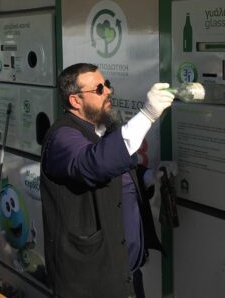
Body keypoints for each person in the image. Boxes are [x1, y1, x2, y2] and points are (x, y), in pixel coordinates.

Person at [40, 63, 176, 298]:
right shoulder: (62, 137)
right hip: (91, 283)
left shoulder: (102, 129)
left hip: (126, 275)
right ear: (75, 100)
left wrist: (149, 176)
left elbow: (117, 167)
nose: (109, 91)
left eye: (107, 85)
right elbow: (95, 164)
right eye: (99, 89)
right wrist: (147, 114)